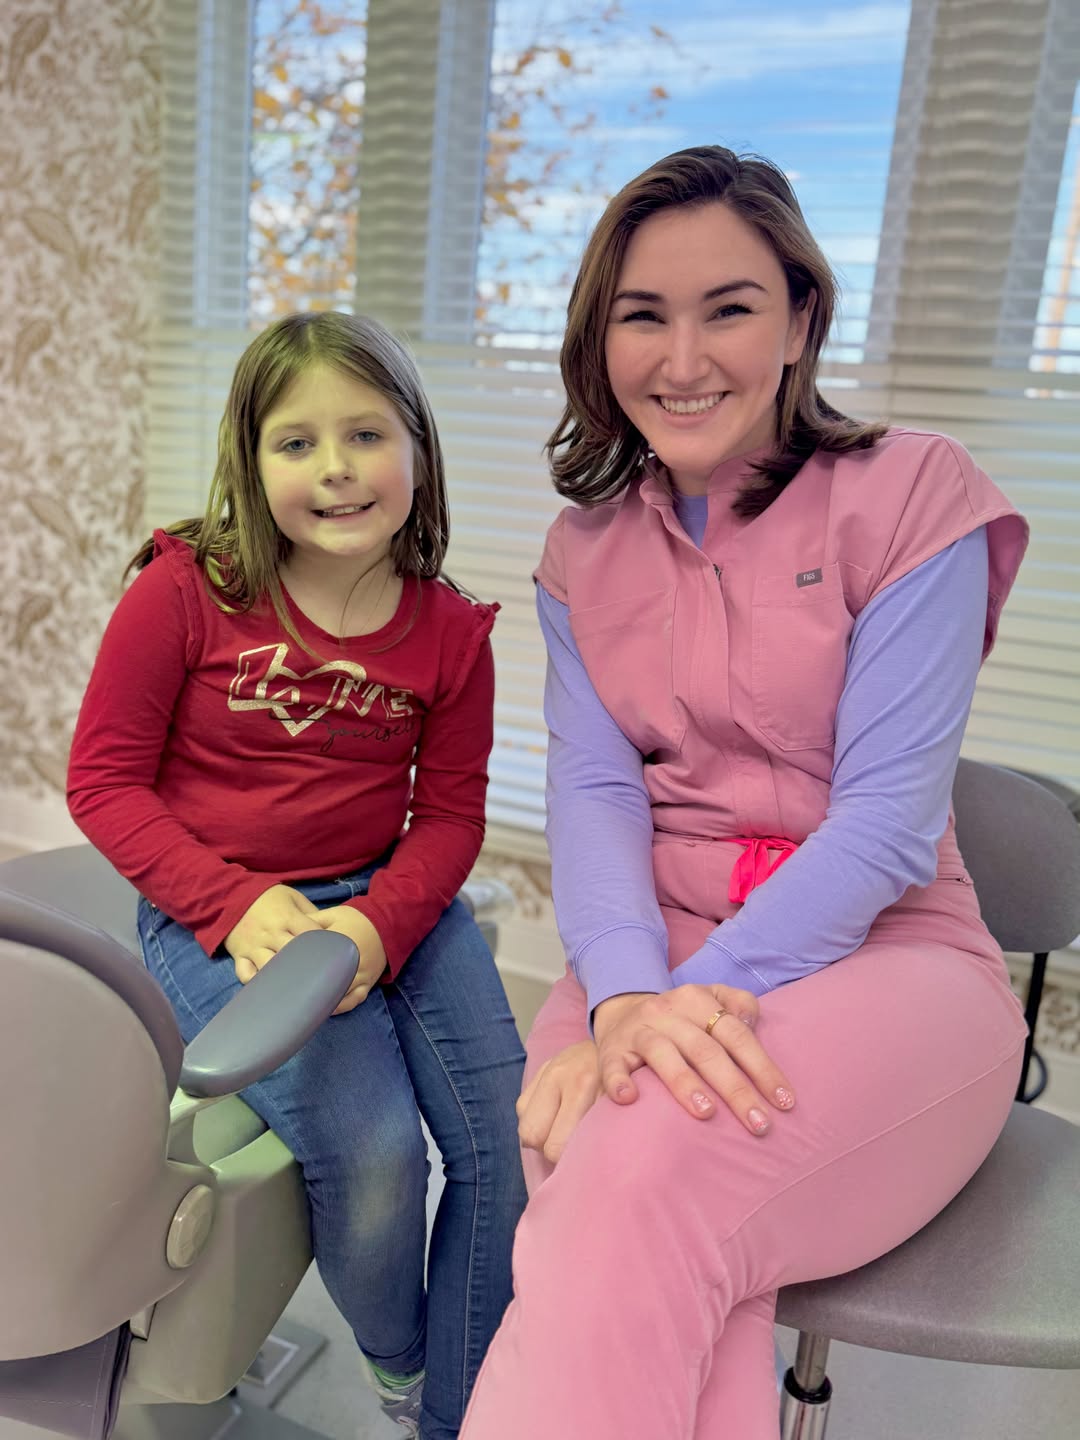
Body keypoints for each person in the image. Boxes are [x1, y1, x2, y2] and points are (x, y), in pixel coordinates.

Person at [459, 146, 1030, 1440]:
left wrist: (692, 1007)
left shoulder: (912, 496)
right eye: (643, 316)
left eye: (730, 308)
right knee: (627, 1223)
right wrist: (626, 999)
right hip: (646, 957)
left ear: (800, 321)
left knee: (641, 1166)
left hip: (893, 962)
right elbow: (597, 800)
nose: (684, 358)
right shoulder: (581, 552)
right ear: (598, 340)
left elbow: (886, 828)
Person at [67, 311, 528, 1440]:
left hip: (389, 899)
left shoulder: (452, 636)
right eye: (297, 442)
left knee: (504, 1143)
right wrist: (236, 904)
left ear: (417, 450)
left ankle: (459, 1421)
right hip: (221, 916)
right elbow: (103, 784)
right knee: (375, 1157)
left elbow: (452, 817)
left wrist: (376, 927)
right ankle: (410, 1372)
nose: (335, 469)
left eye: (366, 434)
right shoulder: (182, 592)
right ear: (249, 457)